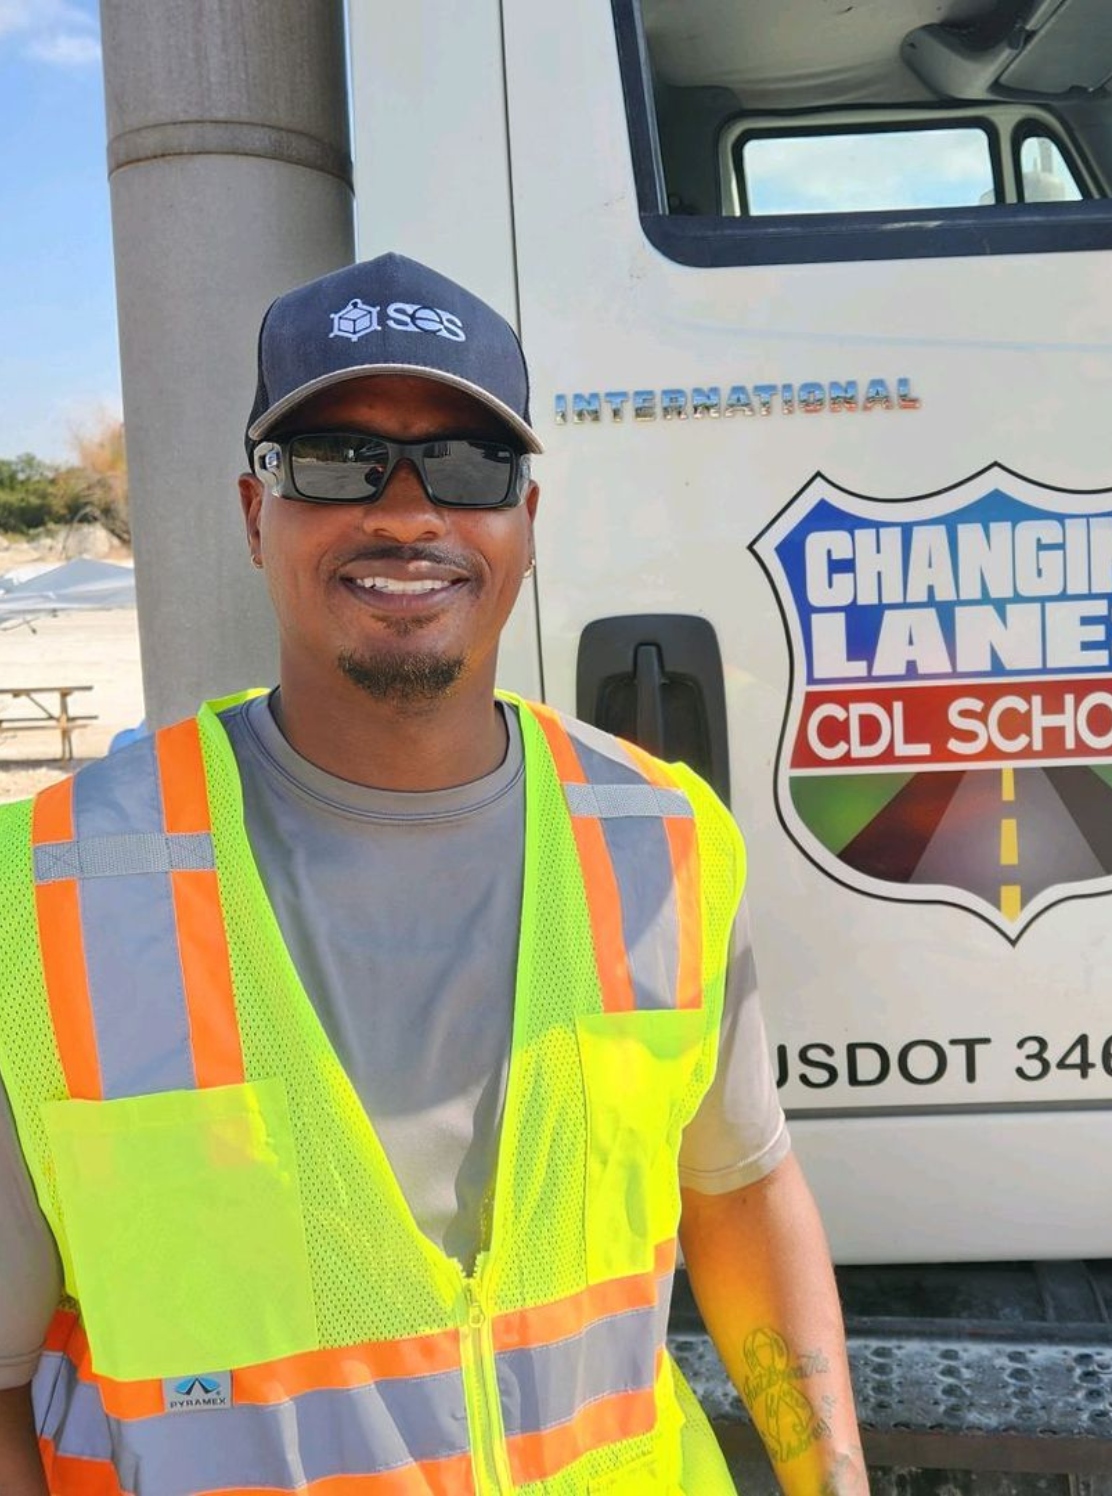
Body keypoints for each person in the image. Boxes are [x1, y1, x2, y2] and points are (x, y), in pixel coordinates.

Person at [0, 254, 868, 1495]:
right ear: (257, 514)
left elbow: (739, 1186)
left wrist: (829, 1471)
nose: (407, 513)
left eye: (468, 467)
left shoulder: (660, 835)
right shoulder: (47, 900)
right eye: (339, 460)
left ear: (524, 523)